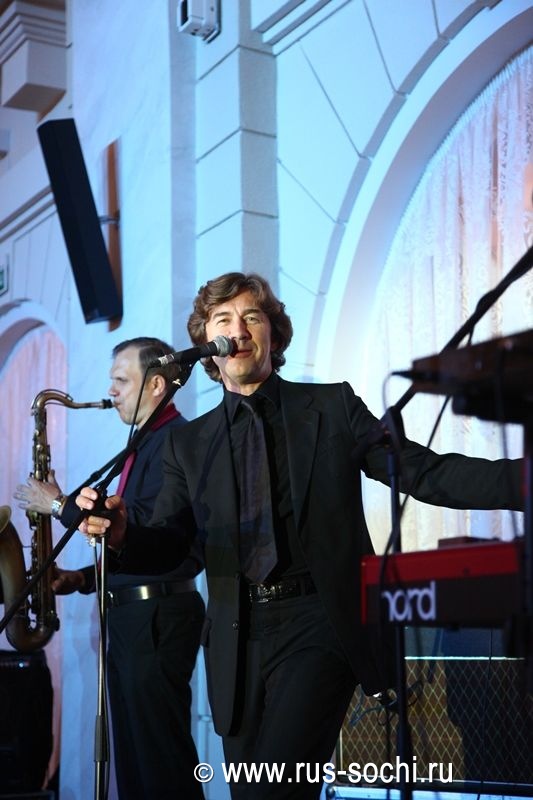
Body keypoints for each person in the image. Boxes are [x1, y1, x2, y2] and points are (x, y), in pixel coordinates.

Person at [75, 275, 523, 800]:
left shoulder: (332, 407)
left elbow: (425, 472)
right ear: (206, 343)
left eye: (252, 317)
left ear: (274, 334)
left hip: (319, 623)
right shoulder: (188, 444)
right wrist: (125, 534)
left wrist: (524, 480)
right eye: (223, 320)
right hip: (236, 640)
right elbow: (174, 544)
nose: (238, 330)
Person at [14, 337, 205, 800]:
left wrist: (58, 504)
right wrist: (81, 579)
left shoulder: (175, 440)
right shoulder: (145, 442)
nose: (111, 391)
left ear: (157, 385)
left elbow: (155, 537)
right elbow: (131, 539)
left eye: (121, 380)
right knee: (137, 767)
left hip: (156, 618)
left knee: (160, 766)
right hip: (135, 616)